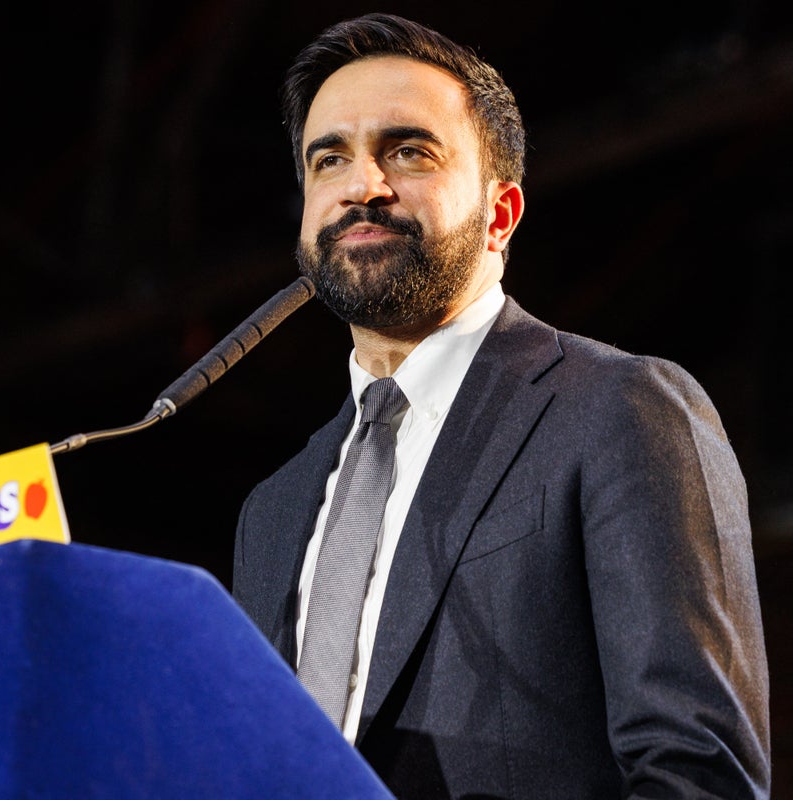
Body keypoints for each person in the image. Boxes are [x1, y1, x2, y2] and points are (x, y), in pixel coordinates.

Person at [231, 12, 770, 798]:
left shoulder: (621, 410)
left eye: (409, 152)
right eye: (329, 159)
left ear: (501, 214)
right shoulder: (271, 510)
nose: (362, 186)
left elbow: (697, 774)